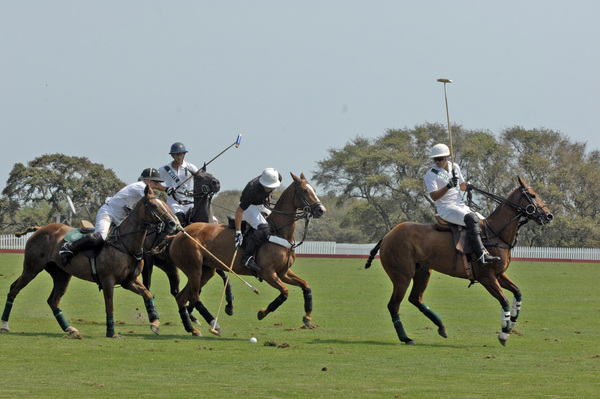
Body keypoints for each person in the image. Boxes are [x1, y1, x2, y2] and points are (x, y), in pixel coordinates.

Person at [59, 168, 168, 266]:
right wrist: (167, 190)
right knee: (100, 237)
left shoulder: (143, 189)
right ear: (148, 180)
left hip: (120, 219)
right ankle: (68, 248)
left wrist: (168, 190)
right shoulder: (141, 186)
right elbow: (154, 200)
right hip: (108, 213)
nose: (157, 185)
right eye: (155, 182)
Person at [424, 143, 500, 265]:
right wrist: (448, 186)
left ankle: (491, 251)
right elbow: (434, 197)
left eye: (440, 159)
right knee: (472, 219)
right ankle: (481, 256)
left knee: (485, 223)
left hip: (460, 205)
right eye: (435, 159)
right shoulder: (431, 174)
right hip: (446, 208)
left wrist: (468, 186)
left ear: (448, 157)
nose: (438, 161)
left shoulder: (455, 167)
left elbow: (462, 186)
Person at [234, 168, 282, 272]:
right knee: (264, 229)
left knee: (276, 222)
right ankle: (247, 258)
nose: (270, 189)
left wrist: (269, 195)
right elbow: (239, 211)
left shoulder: (276, 177)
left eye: (272, 187)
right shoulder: (252, 190)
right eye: (268, 187)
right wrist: (238, 233)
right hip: (248, 207)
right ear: (262, 182)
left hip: (260, 204)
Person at [159, 142, 200, 226]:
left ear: (184, 154)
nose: (178, 156)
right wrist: (166, 189)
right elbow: (155, 185)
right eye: (176, 154)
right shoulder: (164, 169)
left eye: (180, 154)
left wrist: (195, 191)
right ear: (172, 155)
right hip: (173, 202)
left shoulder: (190, 167)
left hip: (189, 201)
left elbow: (200, 180)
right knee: (180, 220)